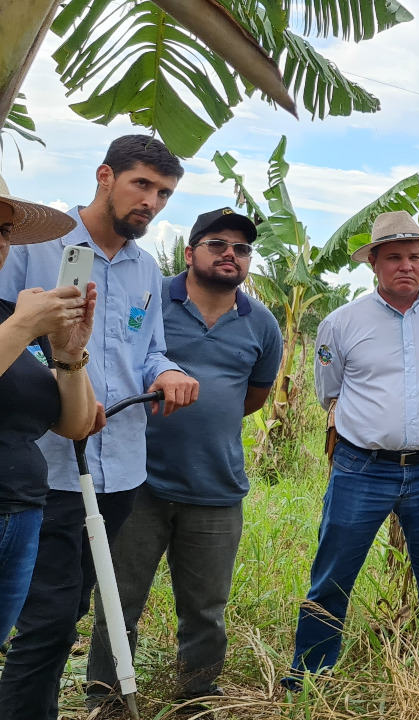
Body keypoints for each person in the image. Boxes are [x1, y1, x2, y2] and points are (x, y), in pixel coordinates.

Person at [0, 136, 200, 720]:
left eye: (163, 193)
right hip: (43, 469)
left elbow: (150, 350)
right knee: (47, 620)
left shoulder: (146, 267)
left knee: (70, 613)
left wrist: (168, 371)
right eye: (142, 185)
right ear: (104, 175)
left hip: (118, 472)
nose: (152, 203)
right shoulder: (35, 249)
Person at [86, 208, 282, 711]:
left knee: (206, 607)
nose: (230, 254)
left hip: (216, 487)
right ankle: (106, 696)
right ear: (191, 251)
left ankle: (195, 697)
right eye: (218, 244)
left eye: (241, 249)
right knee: (118, 598)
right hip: (138, 483)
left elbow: (253, 398)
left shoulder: (261, 324)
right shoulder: (152, 301)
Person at [285, 211, 419, 688]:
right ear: (373, 262)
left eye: (415, 256)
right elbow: (328, 391)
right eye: (393, 257)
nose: (406, 265)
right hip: (361, 468)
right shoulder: (341, 323)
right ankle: (308, 676)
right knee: (333, 576)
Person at [0, 174, 101, 644]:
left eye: (3, 231)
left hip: (20, 511)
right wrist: (23, 328)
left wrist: (69, 353)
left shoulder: (9, 313)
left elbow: (75, 424)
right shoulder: (17, 321)